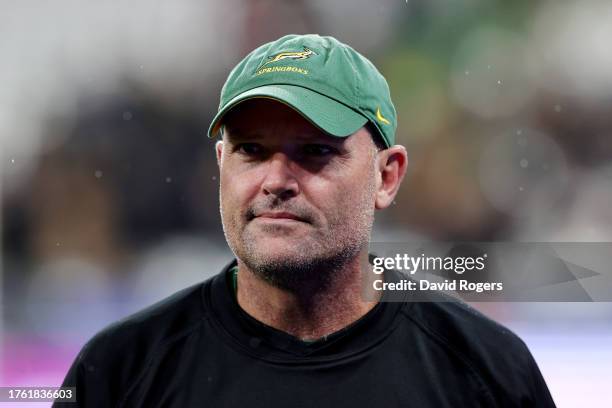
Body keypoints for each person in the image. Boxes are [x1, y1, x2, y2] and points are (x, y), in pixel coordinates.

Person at [54, 34, 556, 407]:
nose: (276, 180)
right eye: (251, 150)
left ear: (387, 177)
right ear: (220, 165)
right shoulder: (121, 372)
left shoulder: (485, 371)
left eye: (315, 151)